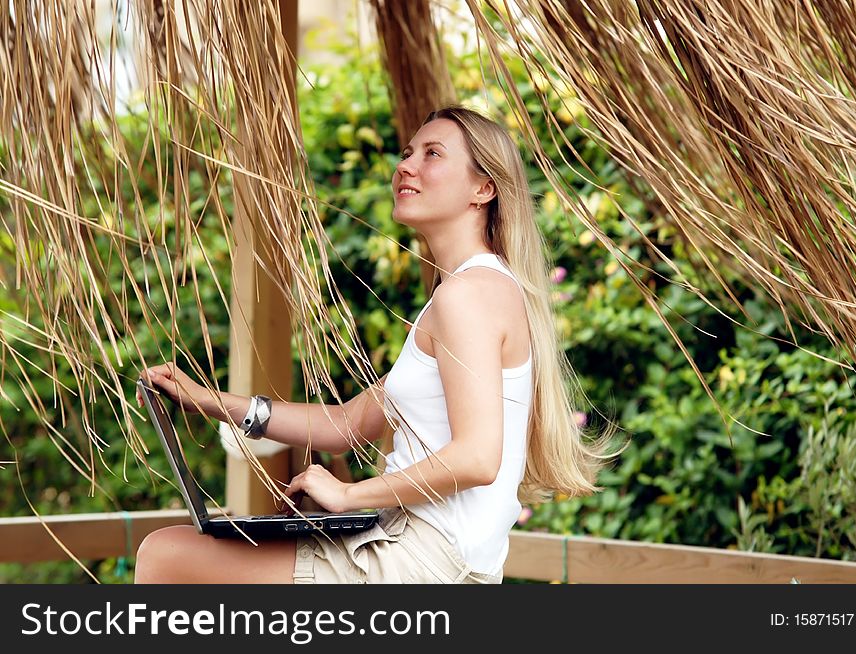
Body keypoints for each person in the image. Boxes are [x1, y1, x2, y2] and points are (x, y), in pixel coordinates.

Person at [133, 105, 619, 584]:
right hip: (425, 555)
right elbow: (346, 423)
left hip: (421, 560)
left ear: (483, 188)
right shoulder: (474, 292)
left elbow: (477, 457)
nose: (405, 165)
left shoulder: (467, 297)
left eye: (432, 154)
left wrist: (352, 494)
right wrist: (210, 400)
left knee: (166, 555)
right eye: (408, 152)